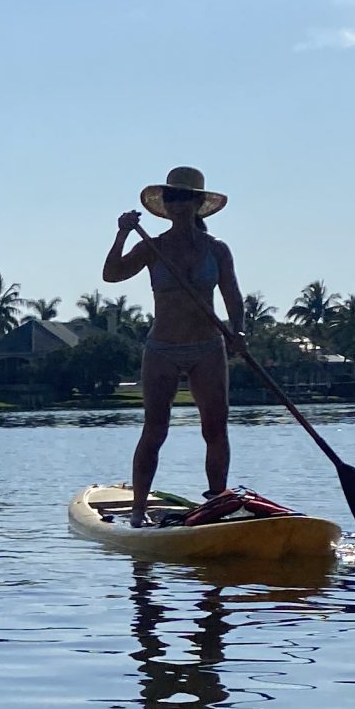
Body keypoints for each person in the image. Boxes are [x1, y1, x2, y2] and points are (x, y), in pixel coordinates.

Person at [101, 165, 245, 525]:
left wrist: (238, 332)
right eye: (172, 197)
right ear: (165, 204)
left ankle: (217, 503)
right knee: (155, 428)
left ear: (197, 204)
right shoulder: (153, 247)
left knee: (215, 427)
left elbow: (232, 295)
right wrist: (121, 234)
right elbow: (111, 274)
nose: (177, 203)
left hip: (207, 347)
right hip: (163, 347)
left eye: (184, 197)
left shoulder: (217, 249)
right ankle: (137, 510)